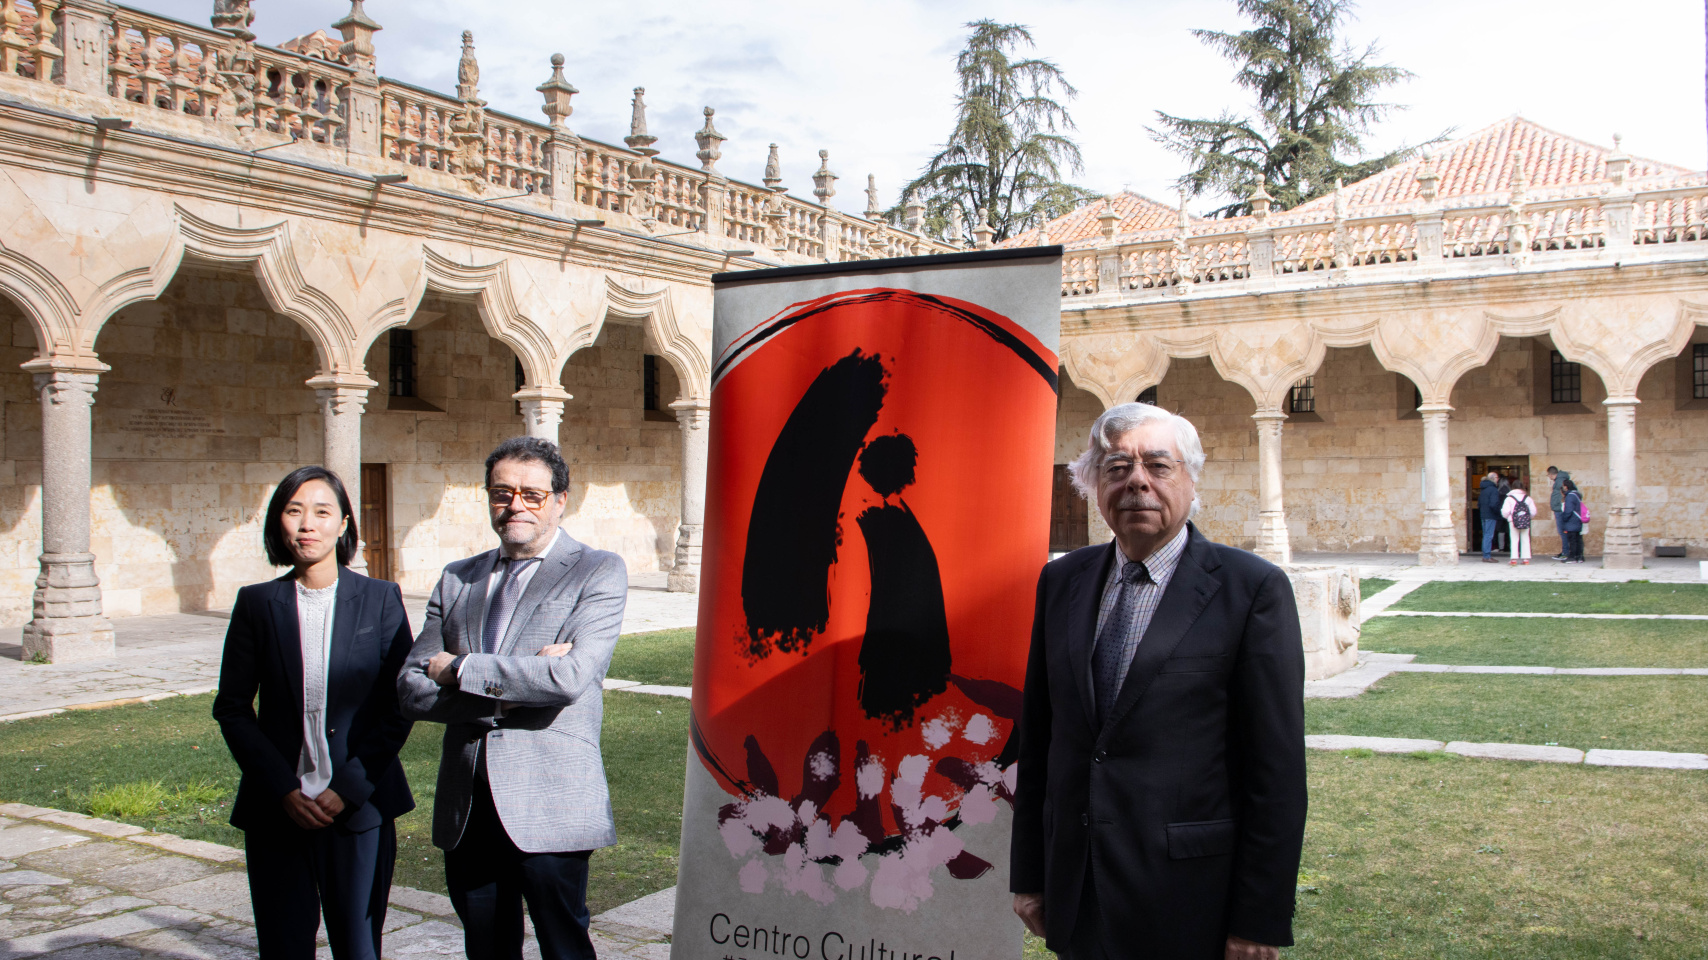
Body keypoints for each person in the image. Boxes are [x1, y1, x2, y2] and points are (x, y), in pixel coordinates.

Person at [1010, 402, 1307, 960]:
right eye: (1117, 468)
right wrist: (1030, 871)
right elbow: (1042, 741)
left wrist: (1259, 916)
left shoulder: (1251, 591)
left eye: (1158, 465)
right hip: (1079, 889)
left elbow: (1277, 771)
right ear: (1094, 485)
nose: (1137, 482)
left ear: (1192, 479)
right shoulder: (1062, 582)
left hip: (1189, 898)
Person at [397, 437, 627, 960]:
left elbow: (569, 678)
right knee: (486, 947)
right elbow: (410, 687)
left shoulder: (597, 570)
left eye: (532, 494)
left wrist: (459, 669)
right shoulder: (458, 577)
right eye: (502, 493)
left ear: (560, 499)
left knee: (564, 946)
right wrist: (515, 692)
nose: (515, 505)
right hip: (468, 802)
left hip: (551, 799)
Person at [212, 466, 416, 960]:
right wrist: (282, 788)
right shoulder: (257, 604)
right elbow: (233, 708)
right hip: (278, 809)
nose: (308, 524)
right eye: (294, 510)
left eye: (322, 512)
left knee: (359, 947)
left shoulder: (380, 599)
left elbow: (401, 701)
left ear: (344, 523)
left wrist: (346, 788)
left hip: (357, 806)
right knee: (283, 947)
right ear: (278, 523)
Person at [1501, 482, 1538, 566]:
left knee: (1514, 539)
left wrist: (1509, 517)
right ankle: (1526, 559)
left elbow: (1505, 511)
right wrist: (1527, 517)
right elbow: (1533, 511)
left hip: (1513, 521)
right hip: (1525, 521)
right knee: (1525, 539)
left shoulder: (1509, 498)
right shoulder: (1528, 498)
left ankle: (1514, 559)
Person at [1547, 466, 1573, 559]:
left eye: (1548, 475)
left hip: (1560, 510)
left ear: (1551, 474)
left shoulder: (1559, 482)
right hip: (1560, 509)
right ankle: (1565, 551)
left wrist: (1557, 506)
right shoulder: (1561, 480)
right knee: (1563, 532)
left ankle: (1565, 552)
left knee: (1563, 531)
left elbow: (1561, 496)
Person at [1478, 470, 1503, 563]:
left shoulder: (1483, 489)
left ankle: (1485, 554)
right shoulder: (1493, 489)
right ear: (1493, 479)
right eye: (1497, 478)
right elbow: (1494, 504)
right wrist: (1498, 512)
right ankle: (1487, 556)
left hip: (1483, 514)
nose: (1498, 479)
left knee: (1486, 535)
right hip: (1491, 515)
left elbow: (1479, 503)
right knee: (1489, 535)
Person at [1560, 479, 1586, 563]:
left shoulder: (1570, 496)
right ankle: (1579, 556)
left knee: (1572, 540)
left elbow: (1568, 510)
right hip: (1577, 520)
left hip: (1572, 521)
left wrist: (1564, 518)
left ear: (1566, 487)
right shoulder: (1577, 494)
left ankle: (1572, 557)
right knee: (1578, 539)